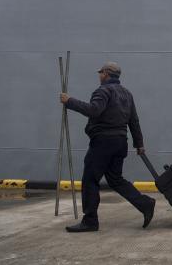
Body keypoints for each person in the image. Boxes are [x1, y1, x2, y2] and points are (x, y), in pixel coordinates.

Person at [60, 62, 155, 232]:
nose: (99, 75)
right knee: (115, 179)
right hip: (120, 142)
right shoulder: (127, 94)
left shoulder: (103, 91)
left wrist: (69, 101)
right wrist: (139, 144)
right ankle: (145, 204)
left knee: (90, 179)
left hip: (103, 142)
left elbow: (94, 110)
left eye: (100, 73)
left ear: (105, 74)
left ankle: (90, 221)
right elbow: (134, 121)